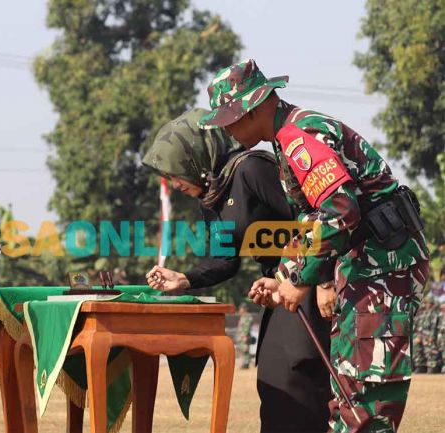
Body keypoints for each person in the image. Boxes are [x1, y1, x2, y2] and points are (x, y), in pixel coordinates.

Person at [200, 59, 430, 432]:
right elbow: (314, 218)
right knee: (348, 394)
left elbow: (341, 210)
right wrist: (287, 275)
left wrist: (301, 279)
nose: (226, 128)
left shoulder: (299, 135)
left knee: (365, 405)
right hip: (365, 271)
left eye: (229, 118)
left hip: (382, 271)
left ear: (256, 107)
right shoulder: (288, 136)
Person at [142, 108, 331, 433]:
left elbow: (314, 218)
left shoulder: (252, 170)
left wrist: (323, 276)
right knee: (273, 385)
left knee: (298, 380)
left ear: (196, 159)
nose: (173, 184)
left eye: (175, 172)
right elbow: (224, 261)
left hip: (311, 282)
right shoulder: (213, 198)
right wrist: (184, 279)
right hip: (281, 289)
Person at [236, 303, 254, 369]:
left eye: (241, 309)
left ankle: (245, 364)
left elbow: (247, 327)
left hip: (245, 336)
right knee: (241, 350)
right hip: (241, 337)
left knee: (245, 350)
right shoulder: (242, 316)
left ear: (245, 309)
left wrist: (244, 336)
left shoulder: (248, 317)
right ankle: (243, 364)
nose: (240, 310)